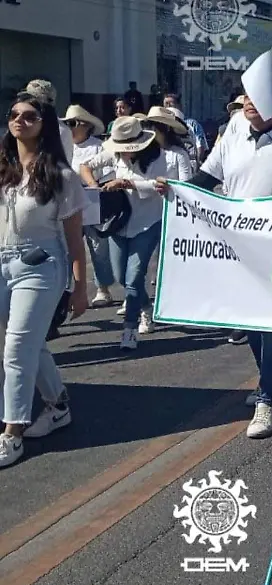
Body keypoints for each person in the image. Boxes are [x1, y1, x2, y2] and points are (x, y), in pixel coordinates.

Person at [181, 77, 272, 439]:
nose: (247, 101)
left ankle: (268, 399)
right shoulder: (233, 127)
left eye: (256, 96)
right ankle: (268, 381)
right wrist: (178, 193)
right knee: (250, 319)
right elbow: (207, 176)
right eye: (245, 95)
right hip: (240, 245)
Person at [0, 92, 90, 466]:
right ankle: (58, 405)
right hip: (2, 264)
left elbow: (74, 239)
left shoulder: (61, 176)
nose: (19, 120)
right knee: (29, 343)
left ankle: (12, 433)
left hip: (40, 266)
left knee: (16, 348)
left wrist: (80, 287)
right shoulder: (4, 169)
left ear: (44, 124)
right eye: (14, 114)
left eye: (29, 116)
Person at [79, 116, 178, 348]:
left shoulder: (159, 157)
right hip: (119, 223)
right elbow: (85, 166)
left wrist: (125, 183)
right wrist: (95, 188)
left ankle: (129, 329)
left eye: (126, 148)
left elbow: (161, 185)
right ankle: (145, 307)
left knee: (134, 278)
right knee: (122, 277)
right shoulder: (114, 154)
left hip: (148, 223)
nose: (122, 152)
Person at [61, 104, 115, 307]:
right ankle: (66, 291)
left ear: (85, 125)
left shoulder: (98, 147)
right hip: (68, 200)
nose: (70, 127)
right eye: (67, 124)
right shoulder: (63, 146)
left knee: (98, 246)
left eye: (73, 123)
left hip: (91, 199)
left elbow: (107, 174)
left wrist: (93, 185)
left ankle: (103, 288)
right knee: (66, 248)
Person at [22, 80, 73, 166]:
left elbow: (60, 166)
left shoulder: (61, 130)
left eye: (33, 99)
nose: (28, 102)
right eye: (27, 98)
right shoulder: (20, 124)